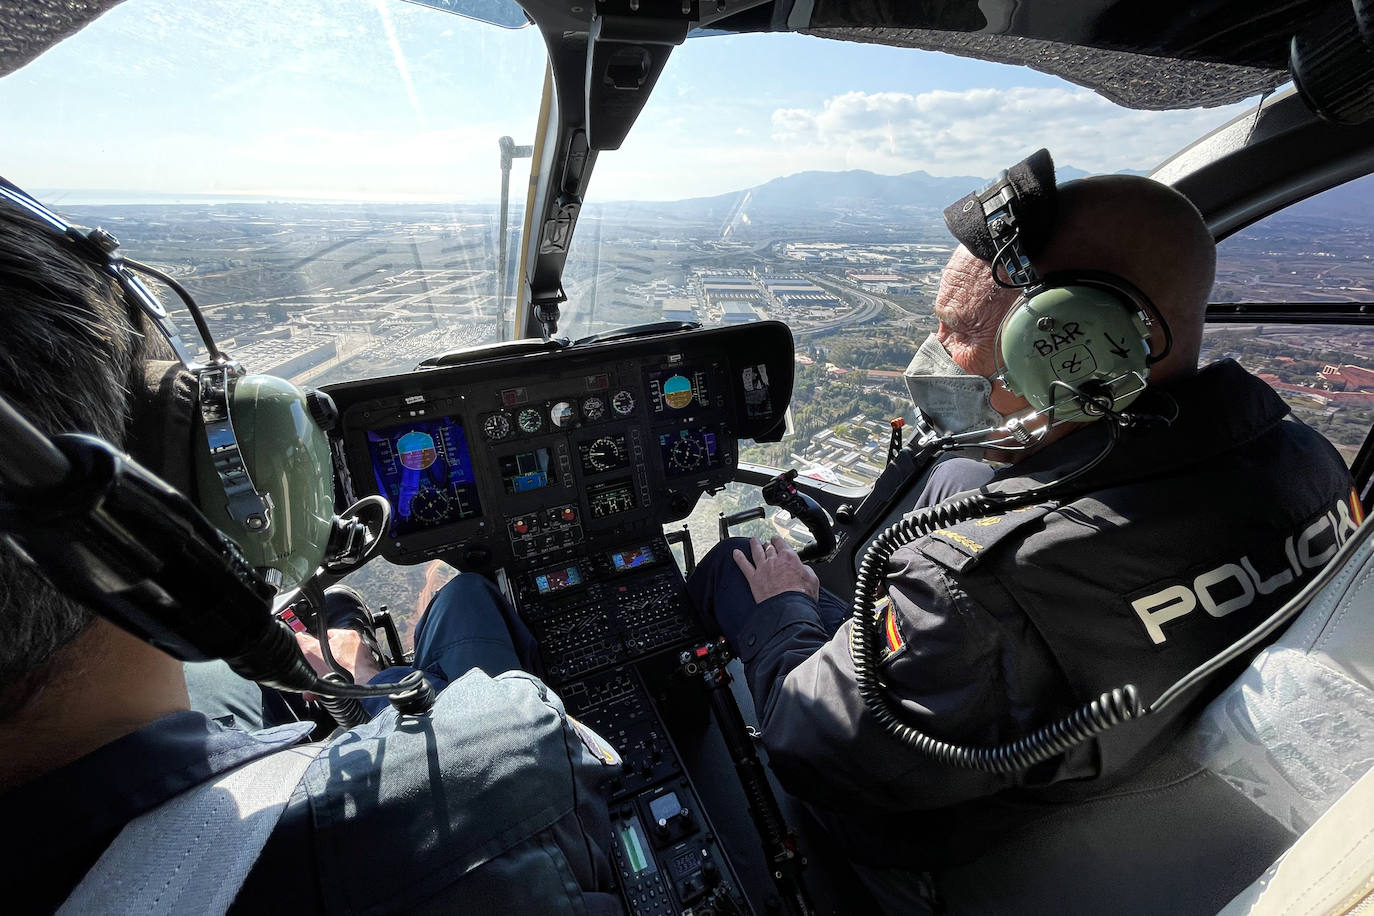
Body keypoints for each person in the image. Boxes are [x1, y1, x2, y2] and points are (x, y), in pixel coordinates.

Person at [688, 174, 1357, 890]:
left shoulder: (976, 588)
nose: (937, 350)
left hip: (965, 854)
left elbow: (807, 744)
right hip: (1163, 803)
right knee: (954, 480)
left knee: (738, 566)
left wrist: (782, 612)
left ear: (1078, 345)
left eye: (961, 329)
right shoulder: (1308, 460)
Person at [0, 203, 624, 914]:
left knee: (270, 646)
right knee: (462, 596)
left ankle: (349, 645)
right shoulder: (513, 750)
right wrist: (364, 682)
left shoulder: (211, 681)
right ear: (175, 480)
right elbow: (565, 749)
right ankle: (387, 639)